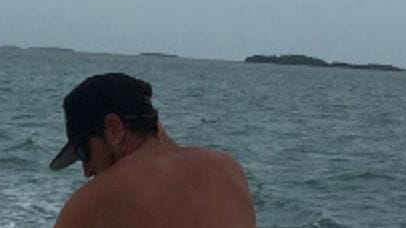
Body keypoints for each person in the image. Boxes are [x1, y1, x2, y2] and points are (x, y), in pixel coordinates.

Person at [46, 72, 255, 228]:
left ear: (114, 129)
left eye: (84, 152)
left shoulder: (90, 204)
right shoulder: (227, 169)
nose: (87, 170)